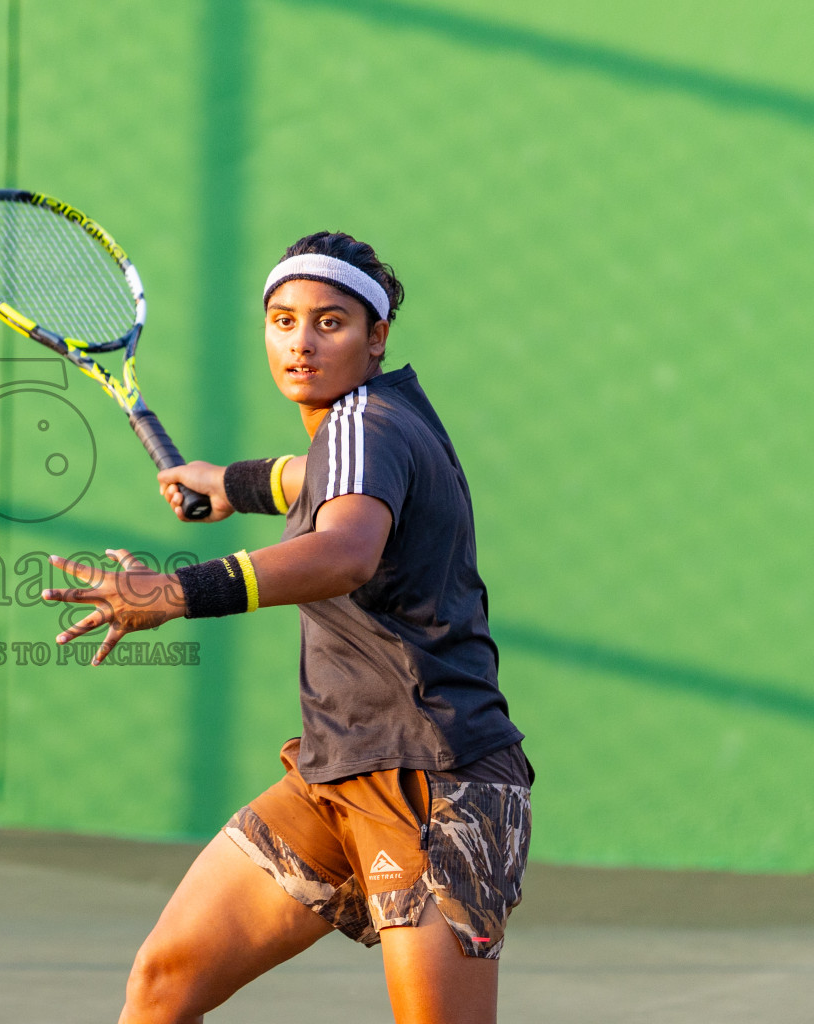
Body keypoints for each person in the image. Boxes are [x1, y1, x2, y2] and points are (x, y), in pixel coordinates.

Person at [42, 231, 532, 1024]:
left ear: (376, 339)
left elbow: (344, 551)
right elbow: (315, 478)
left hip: (432, 780)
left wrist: (175, 592)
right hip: (335, 772)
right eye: (282, 319)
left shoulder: (368, 427)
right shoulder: (376, 424)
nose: (300, 341)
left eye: (330, 322)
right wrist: (230, 483)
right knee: (165, 982)